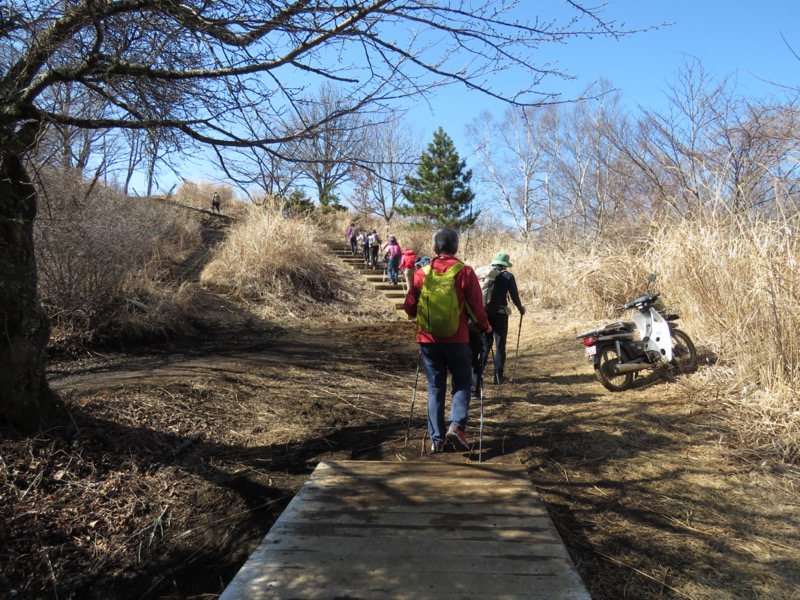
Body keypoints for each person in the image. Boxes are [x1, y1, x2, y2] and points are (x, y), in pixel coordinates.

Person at [403, 228, 491, 454]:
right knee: (462, 382)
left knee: (435, 387)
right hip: (457, 339)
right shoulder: (465, 272)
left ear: (434, 248)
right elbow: (477, 309)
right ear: (456, 247)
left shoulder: (421, 273)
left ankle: (437, 440)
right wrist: (485, 327)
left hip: (428, 341)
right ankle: (457, 427)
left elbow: (410, 309)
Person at [481, 252, 526, 385]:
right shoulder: (507, 276)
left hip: (484, 314)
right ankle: (498, 377)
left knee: (485, 344)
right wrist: (520, 308)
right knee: (500, 345)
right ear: (505, 265)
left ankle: (478, 376)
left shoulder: (484, 273)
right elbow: (514, 296)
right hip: (500, 315)